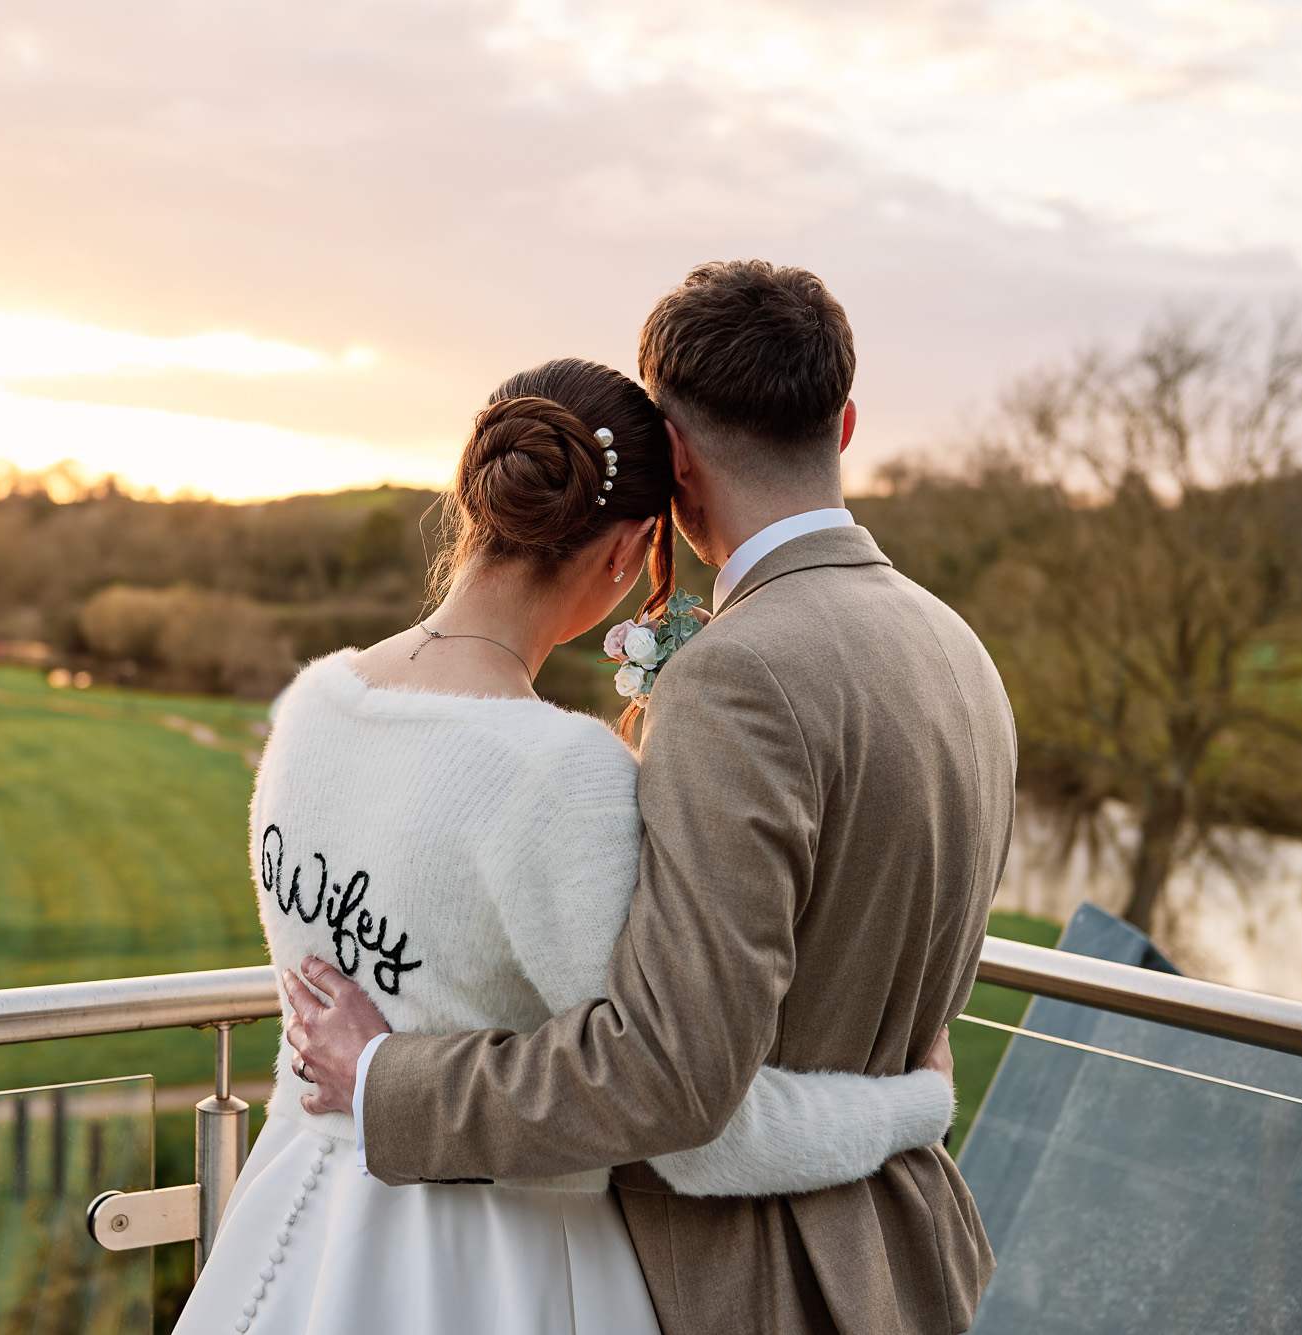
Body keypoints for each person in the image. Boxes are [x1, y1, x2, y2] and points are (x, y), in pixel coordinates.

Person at [283, 261, 1016, 1334]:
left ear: (671, 456)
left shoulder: (740, 672)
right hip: (902, 1252)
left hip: (755, 1274)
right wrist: (909, 1102)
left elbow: (670, 1069)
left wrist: (387, 1079)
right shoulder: (951, 644)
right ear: (844, 423)